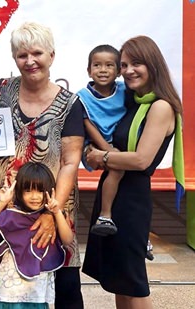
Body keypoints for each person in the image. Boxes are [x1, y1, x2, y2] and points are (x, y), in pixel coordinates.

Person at [0, 21, 85, 308]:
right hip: (9, 206)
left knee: (65, 285)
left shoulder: (71, 103)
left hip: (53, 204)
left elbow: (71, 163)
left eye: (37, 53)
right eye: (22, 55)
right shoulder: (2, 90)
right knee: (13, 283)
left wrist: (51, 212)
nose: (30, 61)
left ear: (52, 56)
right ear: (14, 59)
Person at [82, 36, 184, 309]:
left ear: (153, 65)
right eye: (124, 64)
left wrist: (101, 155)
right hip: (114, 196)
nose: (128, 70)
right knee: (119, 281)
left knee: (133, 283)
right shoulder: (133, 103)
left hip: (131, 202)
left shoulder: (160, 106)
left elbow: (141, 160)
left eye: (136, 63)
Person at [0, 162, 73, 308]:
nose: (34, 196)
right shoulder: (12, 215)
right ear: (19, 191)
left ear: (49, 190)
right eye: (28, 190)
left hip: (37, 296)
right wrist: (2, 202)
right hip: (7, 294)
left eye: (40, 191)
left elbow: (68, 240)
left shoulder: (52, 219)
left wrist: (56, 212)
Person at [77, 44, 126, 236]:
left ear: (119, 71)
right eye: (97, 65)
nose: (103, 70)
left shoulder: (124, 90)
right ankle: (105, 215)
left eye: (109, 65)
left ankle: (140, 233)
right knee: (118, 167)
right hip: (94, 145)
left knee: (132, 181)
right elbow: (87, 123)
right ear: (89, 71)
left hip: (118, 143)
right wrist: (106, 149)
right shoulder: (83, 96)